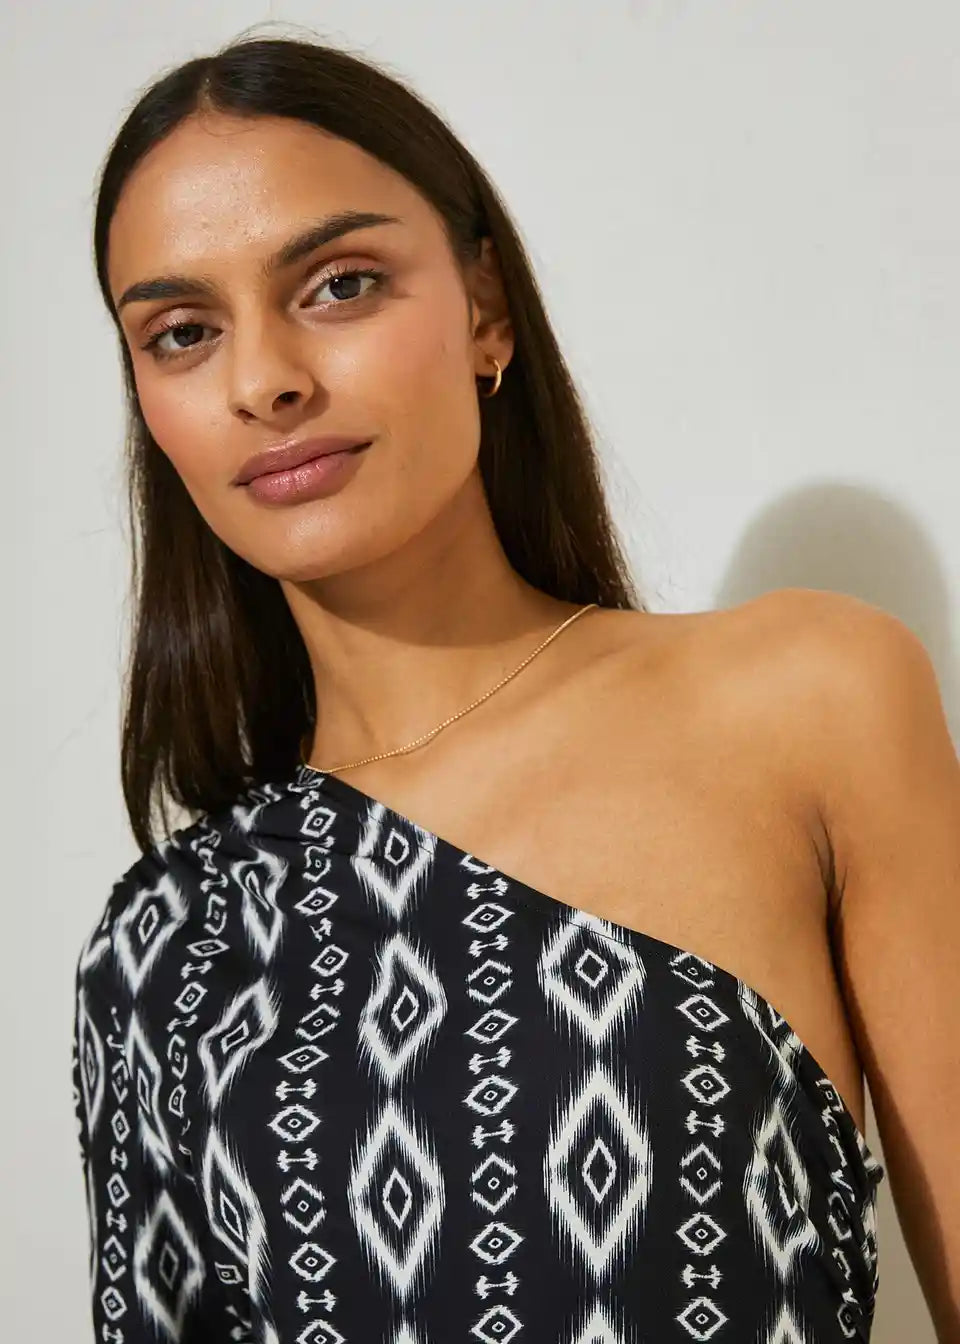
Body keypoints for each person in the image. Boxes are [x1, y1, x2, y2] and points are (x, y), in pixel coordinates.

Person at [72, 32, 960, 1344]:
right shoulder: (168, 948)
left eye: (339, 284)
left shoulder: (808, 700)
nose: (265, 381)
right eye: (184, 333)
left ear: (485, 309)